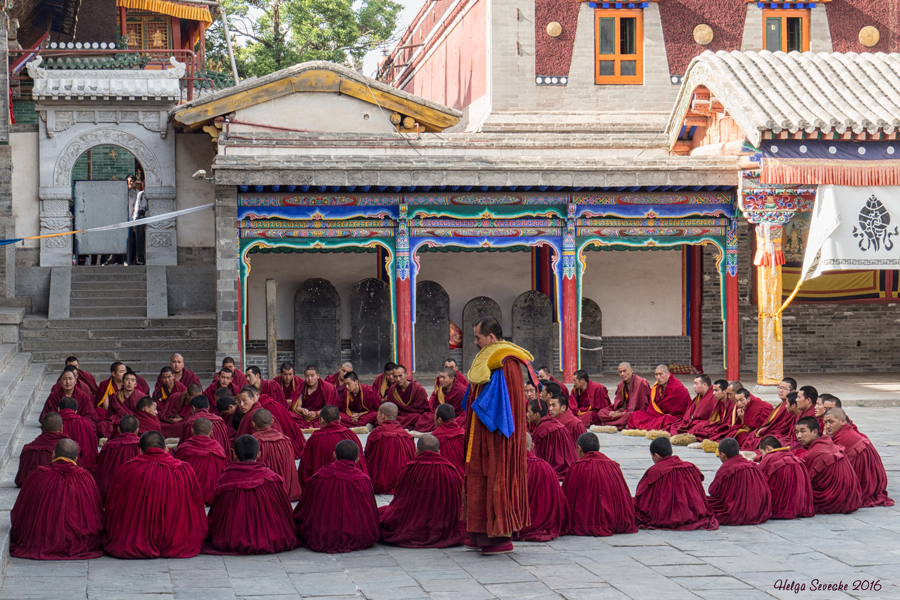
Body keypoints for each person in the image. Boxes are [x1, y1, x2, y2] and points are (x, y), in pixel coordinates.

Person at [462, 316, 532, 554]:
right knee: (478, 478)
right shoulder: (490, 357)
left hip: (496, 438)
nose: (475, 342)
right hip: (480, 433)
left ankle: (498, 537)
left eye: (478, 337)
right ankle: (480, 533)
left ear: (491, 337)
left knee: (494, 477)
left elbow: (501, 408)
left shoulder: (505, 361)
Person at [104, 431, 208, 558]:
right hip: (179, 541)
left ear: (140, 450)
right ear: (166, 448)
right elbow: (196, 508)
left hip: (135, 541)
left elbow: (113, 506)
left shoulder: (128, 469)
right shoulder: (184, 470)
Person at [10, 438, 104, 560]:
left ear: (53, 454)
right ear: (76, 459)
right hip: (79, 543)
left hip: (41, 541)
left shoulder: (36, 475)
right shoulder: (86, 478)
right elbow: (96, 514)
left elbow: (20, 512)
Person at [204, 435, 298, 555]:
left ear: (234, 455)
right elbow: (286, 513)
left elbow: (217, 514)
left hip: (232, 538)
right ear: (258, 454)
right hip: (272, 537)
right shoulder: (274, 478)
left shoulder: (225, 479)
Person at [294, 439, 380, 553]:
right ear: (357, 460)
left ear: (334, 455)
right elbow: (371, 514)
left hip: (323, 536)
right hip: (359, 536)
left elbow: (303, 509)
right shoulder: (364, 480)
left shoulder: (319, 477)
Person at [379, 434, 464, 548]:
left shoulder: (409, 470)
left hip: (412, 524)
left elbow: (399, 503)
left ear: (417, 451)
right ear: (438, 452)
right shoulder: (452, 471)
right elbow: (459, 505)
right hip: (444, 525)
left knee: (379, 513)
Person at [634, 437, 718, 531]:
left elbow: (642, 497)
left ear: (656, 456)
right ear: (671, 451)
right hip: (694, 513)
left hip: (664, 516)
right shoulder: (690, 467)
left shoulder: (655, 471)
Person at [562, 433, 637, 537]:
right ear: (599, 448)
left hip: (585, 523)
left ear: (579, 448)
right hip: (616, 521)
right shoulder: (613, 466)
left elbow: (566, 498)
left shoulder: (577, 467)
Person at [824, 408, 893, 507]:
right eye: (825, 422)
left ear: (842, 421)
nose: (827, 426)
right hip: (874, 484)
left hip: (863, 486)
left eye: (831, 422)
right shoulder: (846, 432)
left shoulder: (844, 438)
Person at [796, 416, 861, 515]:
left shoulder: (815, 453)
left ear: (814, 432)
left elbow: (806, 483)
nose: (799, 436)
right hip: (848, 498)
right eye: (797, 432)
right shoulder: (830, 444)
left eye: (803, 431)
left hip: (829, 500)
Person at [706, 438, 772, 526]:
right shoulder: (753, 466)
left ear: (722, 455)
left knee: (704, 503)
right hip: (757, 511)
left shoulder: (726, 469)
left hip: (735, 511)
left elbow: (713, 491)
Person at [299, 404, 368, 486]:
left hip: (323, 486)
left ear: (321, 420)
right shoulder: (351, 435)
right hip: (352, 484)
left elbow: (306, 466)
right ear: (339, 419)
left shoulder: (316, 438)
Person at [519, 433, 569, 542]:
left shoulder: (509, 467)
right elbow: (561, 501)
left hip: (514, 527)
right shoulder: (546, 467)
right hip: (543, 525)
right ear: (532, 447)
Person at [246, 369, 306, 459]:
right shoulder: (248, 390)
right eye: (246, 376)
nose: (247, 378)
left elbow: (282, 403)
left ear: (257, 375)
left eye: (249, 376)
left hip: (275, 415)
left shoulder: (272, 385)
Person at [757, 436, 814, 519]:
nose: (762, 457)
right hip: (799, 507)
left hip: (777, 508)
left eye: (762, 454)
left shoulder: (769, 459)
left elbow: (761, 486)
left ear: (768, 448)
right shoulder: (797, 460)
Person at [174, 418, 228, 505]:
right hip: (213, 500)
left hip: (188, 499)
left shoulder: (184, 449)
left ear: (192, 431)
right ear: (211, 433)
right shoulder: (219, 450)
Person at [364, 402, 416, 494]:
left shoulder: (375, 434)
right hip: (404, 484)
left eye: (378, 414)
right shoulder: (407, 436)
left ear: (382, 415)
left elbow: (368, 459)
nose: (377, 417)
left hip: (379, 484)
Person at [252, 409, 302, 502]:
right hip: (286, 491)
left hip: (264, 493)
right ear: (272, 422)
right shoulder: (286, 440)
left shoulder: (255, 441)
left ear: (253, 424)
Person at [627, 365, 692, 432]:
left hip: (674, 417)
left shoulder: (677, 387)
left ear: (668, 374)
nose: (658, 377)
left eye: (661, 374)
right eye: (656, 375)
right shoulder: (656, 387)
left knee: (668, 420)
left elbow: (676, 411)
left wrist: (663, 416)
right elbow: (652, 408)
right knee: (635, 415)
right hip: (658, 416)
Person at [740, 378, 797, 451]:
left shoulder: (790, 407)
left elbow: (782, 427)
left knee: (760, 438)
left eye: (784, 389)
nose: (781, 391)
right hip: (771, 430)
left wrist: (765, 430)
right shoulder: (782, 404)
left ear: (792, 391)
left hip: (778, 434)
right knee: (752, 435)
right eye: (779, 387)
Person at [94, 414, 141, 503]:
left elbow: (101, 473)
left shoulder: (108, 446)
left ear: (118, 429)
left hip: (112, 495)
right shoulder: (142, 446)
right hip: (136, 495)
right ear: (137, 431)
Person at [528, 398, 577, 481]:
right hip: (570, 467)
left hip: (554, 470)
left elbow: (537, 455)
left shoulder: (542, 430)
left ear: (536, 415)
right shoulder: (557, 423)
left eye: (529, 412)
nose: (527, 414)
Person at [15, 412, 67, 488]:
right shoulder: (69, 449)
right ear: (61, 428)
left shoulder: (28, 450)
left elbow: (21, 480)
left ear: (41, 428)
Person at [597, 362, 651, 429]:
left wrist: (623, 413)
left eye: (624, 371)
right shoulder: (621, 385)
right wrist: (615, 412)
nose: (622, 374)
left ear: (631, 371)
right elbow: (620, 404)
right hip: (623, 412)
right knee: (601, 412)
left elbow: (644, 407)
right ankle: (618, 423)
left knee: (631, 416)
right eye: (620, 372)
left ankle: (610, 422)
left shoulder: (641, 383)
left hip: (634, 413)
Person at [417, 367, 467, 431]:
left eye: (444, 377)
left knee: (459, 422)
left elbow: (461, 410)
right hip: (441, 415)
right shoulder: (441, 389)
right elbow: (435, 406)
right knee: (424, 418)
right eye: (440, 377)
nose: (441, 380)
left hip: (455, 416)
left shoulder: (460, 391)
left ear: (452, 379)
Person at [59, 397, 99, 473]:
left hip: (58, 463)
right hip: (81, 465)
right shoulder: (84, 423)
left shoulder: (56, 422)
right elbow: (92, 446)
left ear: (58, 409)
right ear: (76, 411)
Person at [385, 365, 429, 430]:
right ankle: (408, 425)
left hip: (414, 415)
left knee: (422, 418)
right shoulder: (392, 390)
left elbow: (424, 408)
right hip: (400, 416)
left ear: (406, 374)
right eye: (395, 377)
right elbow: (390, 408)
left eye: (400, 376)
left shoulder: (418, 389)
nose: (398, 379)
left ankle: (402, 425)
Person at [153, 367, 188, 437]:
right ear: (161, 378)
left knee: (185, 424)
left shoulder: (181, 388)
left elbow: (187, 404)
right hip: (164, 418)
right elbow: (158, 409)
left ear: (173, 376)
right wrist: (168, 417)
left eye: (169, 377)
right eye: (164, 378)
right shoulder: (157, 392)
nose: (167, 380)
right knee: (156, 424)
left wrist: (180, 416)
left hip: (179, 416)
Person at [432, 403, 465, 478]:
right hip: (463, 478)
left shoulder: (434, 437)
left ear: (439, 419)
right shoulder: (463, 434)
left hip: (444, 478)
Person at [126, 173, 147, 265]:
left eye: (132, 181)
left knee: (134, 242)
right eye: (128, 181)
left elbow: (135, 208)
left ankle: (134, 260)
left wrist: (134, 220)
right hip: (124, 222)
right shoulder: (121, 192)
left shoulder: (136, 194)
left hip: (134, 222)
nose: (130, 183)